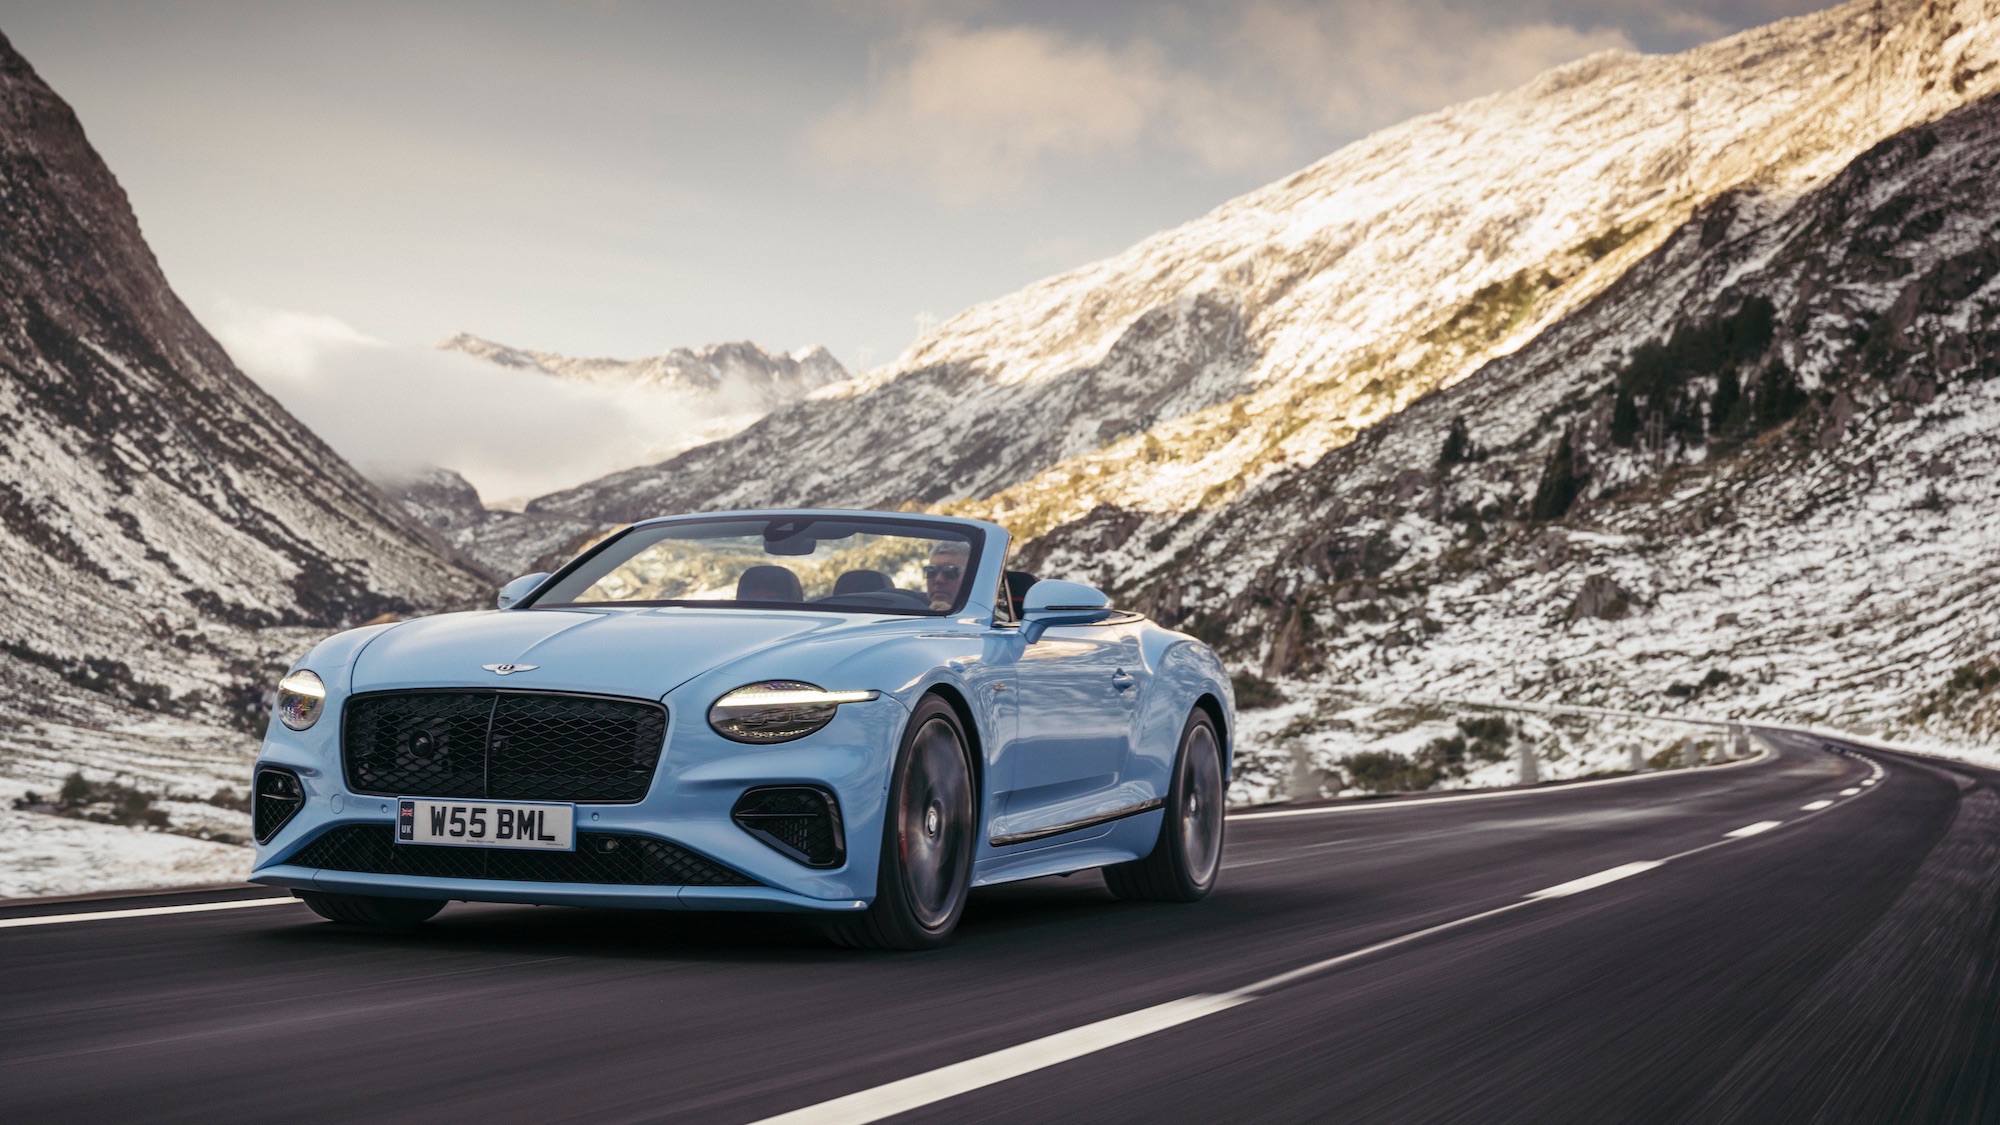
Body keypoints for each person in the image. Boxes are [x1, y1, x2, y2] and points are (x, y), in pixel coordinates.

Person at [922, 541, 971, 611]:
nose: (939, 580)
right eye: (931, 571)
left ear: (970, 577)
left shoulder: (985, 613)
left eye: (950, 571)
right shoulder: (912, 604)